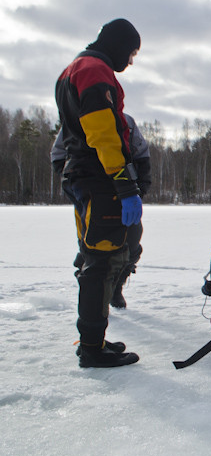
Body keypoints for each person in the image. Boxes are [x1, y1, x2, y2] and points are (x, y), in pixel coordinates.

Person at [55, 18, 143, 368]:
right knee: (100, 263)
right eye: (132, 53)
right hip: (98, 180)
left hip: (82, 177)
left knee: (94, 258)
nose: (131, 61)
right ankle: (92, 347)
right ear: (119, 45)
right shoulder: (94, 71)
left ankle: (94, 339)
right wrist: (124, 185)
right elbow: (102, 134)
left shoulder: (74, 68)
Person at [51, 113, 151, 309]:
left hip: (122, 195)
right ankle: (93, 301)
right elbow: (58, 156)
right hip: (89, 196)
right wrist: (77, 184)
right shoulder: (76, 120)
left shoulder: (126, 122)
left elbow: (141, 154)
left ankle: (116, 288)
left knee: (131, 242)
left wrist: (139, 188)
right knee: (91, 247)